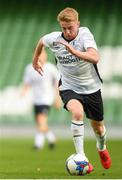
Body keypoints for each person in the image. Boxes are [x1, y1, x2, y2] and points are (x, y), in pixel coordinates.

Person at [32, 7, 111, 171]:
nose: (67, 31)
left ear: (78, 24)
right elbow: (41, 41)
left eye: (71, 27)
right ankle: (82, 157)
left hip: (91, 88)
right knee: (77, 112)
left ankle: (101, 147)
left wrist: (74, 51)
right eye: (64, 28)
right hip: (69, 86)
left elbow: (95, 57)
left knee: (99, 128)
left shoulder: (85, 35)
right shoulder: (54, 39)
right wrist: (35, 59)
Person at [22, 48, 61, 150]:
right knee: (40, 122)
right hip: (36, 99)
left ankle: (38, 144)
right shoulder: (29, 68)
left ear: (45, 55)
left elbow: (56, 84)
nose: (40, 55)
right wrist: (23, 93)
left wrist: (57, 98)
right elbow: (27, 83)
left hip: (46, 99)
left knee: (41, 120)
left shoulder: (50, 68)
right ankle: (51, 138)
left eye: (41, 53)